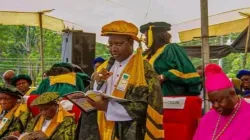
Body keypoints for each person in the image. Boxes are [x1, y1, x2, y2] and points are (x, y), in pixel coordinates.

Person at [76, 20, 164, 140]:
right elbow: (95, 92)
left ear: (131, 42)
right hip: (101, 125)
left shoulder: (143, 68)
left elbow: (144, 105)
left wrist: (107, 107)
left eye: (118, 44)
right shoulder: (105, 66)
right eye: (110, 44)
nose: (113, 49)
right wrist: (98, 82)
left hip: (128, 129)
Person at [140, 22, 201, 96]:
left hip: (169, 94)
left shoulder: (171, 48)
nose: (144, 39)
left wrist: (164, 76)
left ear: (154, 36)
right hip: (149, 95)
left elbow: (186, 71)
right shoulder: (146, 54)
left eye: (146, 36)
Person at [194, 64, 250, 140]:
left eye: (219, 100)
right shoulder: (207, 118)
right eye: (212, 102)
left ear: (232, 94)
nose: (215, 106)